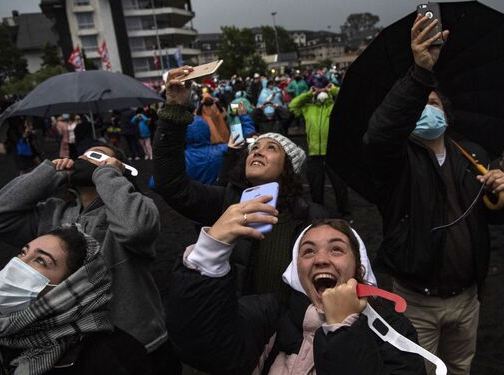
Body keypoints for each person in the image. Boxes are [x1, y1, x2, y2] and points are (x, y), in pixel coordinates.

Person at [361, 15, 504, 375]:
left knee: (460, 366)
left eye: (434, 102)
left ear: (446, 111)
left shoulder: (470, 154)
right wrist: (419, 75)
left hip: (467, 298)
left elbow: (494, 216)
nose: (427, 108)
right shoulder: (395, 160)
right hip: (417, 300)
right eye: (420, 104)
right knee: (421, 370)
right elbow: (380, 135)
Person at [0, 143, 173, 374]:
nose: (84, 159)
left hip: (136, 344)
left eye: (96, 156)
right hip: (66, 348)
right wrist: (50, 174)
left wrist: (108, 174)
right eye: (82, 155)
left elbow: (134, 228)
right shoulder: (53, 212)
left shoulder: (138, 208)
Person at [167, 216, 425, 374]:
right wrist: (208, 253)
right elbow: (201, 346)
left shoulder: (394, 330)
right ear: (296, 270)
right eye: (308, 251)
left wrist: (342, 330)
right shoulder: (269, 316)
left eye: (336, 250)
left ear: (359, 268)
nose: (321, 259)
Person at [154, 66, 328, 300]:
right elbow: (171, 184)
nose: (257, 151)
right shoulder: (226, 203)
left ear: (289, 167)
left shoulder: (311, 217)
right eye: (254, 147)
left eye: (271, 148)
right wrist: (174, 108)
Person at [0, 225, 151, 375]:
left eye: (41, 261)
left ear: (71, 286)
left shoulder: (115, 358)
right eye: (23, 253)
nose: (17, 264)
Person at [290, 83, 351, 217]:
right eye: (318, 90)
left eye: (324, 89)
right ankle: (319, 213)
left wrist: (333, 90)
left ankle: (344, 213)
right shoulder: (308, 109)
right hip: (314, 156)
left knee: (340, 186)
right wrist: (308, 93)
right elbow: (293, 105)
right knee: (315, 187)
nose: (321, 92)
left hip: (334, 154)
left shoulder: (335, 107)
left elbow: (350, 98)